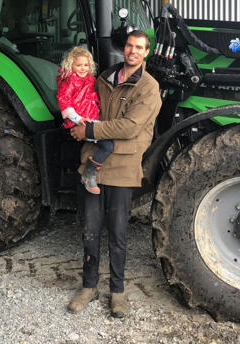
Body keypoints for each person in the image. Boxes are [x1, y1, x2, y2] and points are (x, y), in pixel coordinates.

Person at [67, 30, 162, 318]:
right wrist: (72, 115)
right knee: (90, 230)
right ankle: (89, 287)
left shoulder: (148, 87)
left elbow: (130, 127)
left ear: (146, 52)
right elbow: (85, 104)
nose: (133, 51)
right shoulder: (105, 78)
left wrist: (89, 129)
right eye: (130, 46)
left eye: (139, 47)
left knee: (118, 233)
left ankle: (117, 292)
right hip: (93, 163)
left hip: (123, 166)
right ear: (124, 48)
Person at [56, 47, 114, 194]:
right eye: (79, 65)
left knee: (111, 139)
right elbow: (64, 101)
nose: (83, 68)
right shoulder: (70, 81)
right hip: (79, 122)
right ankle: (89, 175)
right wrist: (78, 119)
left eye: (86, 65)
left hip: (90, 120)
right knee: (108, 146)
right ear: (71, 65)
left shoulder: (90, 80)